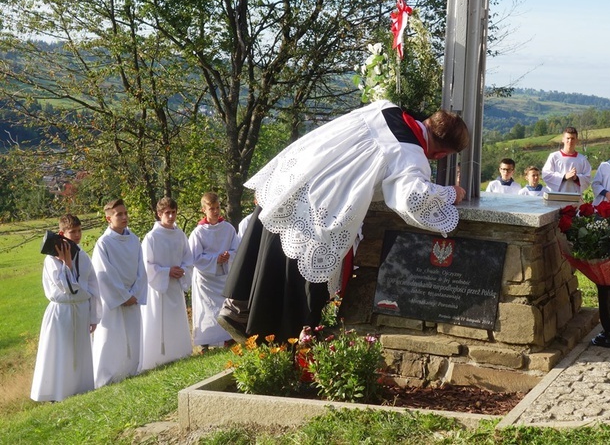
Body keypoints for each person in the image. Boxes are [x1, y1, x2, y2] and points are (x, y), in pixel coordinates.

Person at [217, 99, 468, 344]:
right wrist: (450, 194)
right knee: (294, 280)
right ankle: (276, 344)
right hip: (320, 209)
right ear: (442, 153)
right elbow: (412, 199)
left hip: (293, 178)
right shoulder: (409, 154)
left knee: (265, 246)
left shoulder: (384, 108)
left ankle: (238, 307)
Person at [30, 214, 101, 402]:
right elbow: (67, 288)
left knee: (79, 351)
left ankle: (80, 388)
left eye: (79, 231)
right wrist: (67, 263)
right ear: (62, 233)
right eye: (72, 232)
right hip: (62, 311)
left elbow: (92, 287)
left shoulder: (83, 255)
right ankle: (58, 393)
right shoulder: (51, 260)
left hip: (80, 310)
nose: (77, 235)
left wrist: (93, 316)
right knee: (62, 351)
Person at [91, 199, 147, 388]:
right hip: (113, 301)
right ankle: (105, 377)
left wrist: (135, 293)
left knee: (132, 335)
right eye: (118, 214)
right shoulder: (103, 243)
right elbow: (105, 274)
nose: (124, 217)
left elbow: (141, 269)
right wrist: (123, 296)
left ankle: (130, 370)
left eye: (125, 213)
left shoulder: (134, 239)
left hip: (132, 295)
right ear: (108, 218)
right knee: (110, 338)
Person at [140, 197, 194, 370]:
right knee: (158, 322)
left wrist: (183, 269)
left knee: (177, 321)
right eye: (167, 213)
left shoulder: (180, 235)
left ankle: (179, 352)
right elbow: (145, 265)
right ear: (159, 214)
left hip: (175, 286)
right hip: (159, 289)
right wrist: (166, 272)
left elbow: (188, 257)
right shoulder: (151, 238)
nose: (171, 216)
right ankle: (157, 358)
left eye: (173, 212)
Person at [189, 192, 239, 351]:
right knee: (206, 309)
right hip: (206, 278)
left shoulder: (228, 228)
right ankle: (205, 341)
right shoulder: (198, 232)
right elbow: (195, 257)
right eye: (212, 209)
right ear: (204, 210)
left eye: (218, 208)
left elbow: (236, 249)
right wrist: (215, 259)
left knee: (224, 306)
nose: (216, 212)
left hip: (224, 275)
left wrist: (228, 255)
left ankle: (227, 337)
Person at [542, 127, 591, 194]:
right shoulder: (554, 156)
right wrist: (564, 177)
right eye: (568, 138)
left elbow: (588, 178)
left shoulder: (582, 159)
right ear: (563, 139)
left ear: (577, 140)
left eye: (573, 138)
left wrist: (576, 178)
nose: (570, 141)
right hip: (557, 197)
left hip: (575, 197)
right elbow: (546, 175)